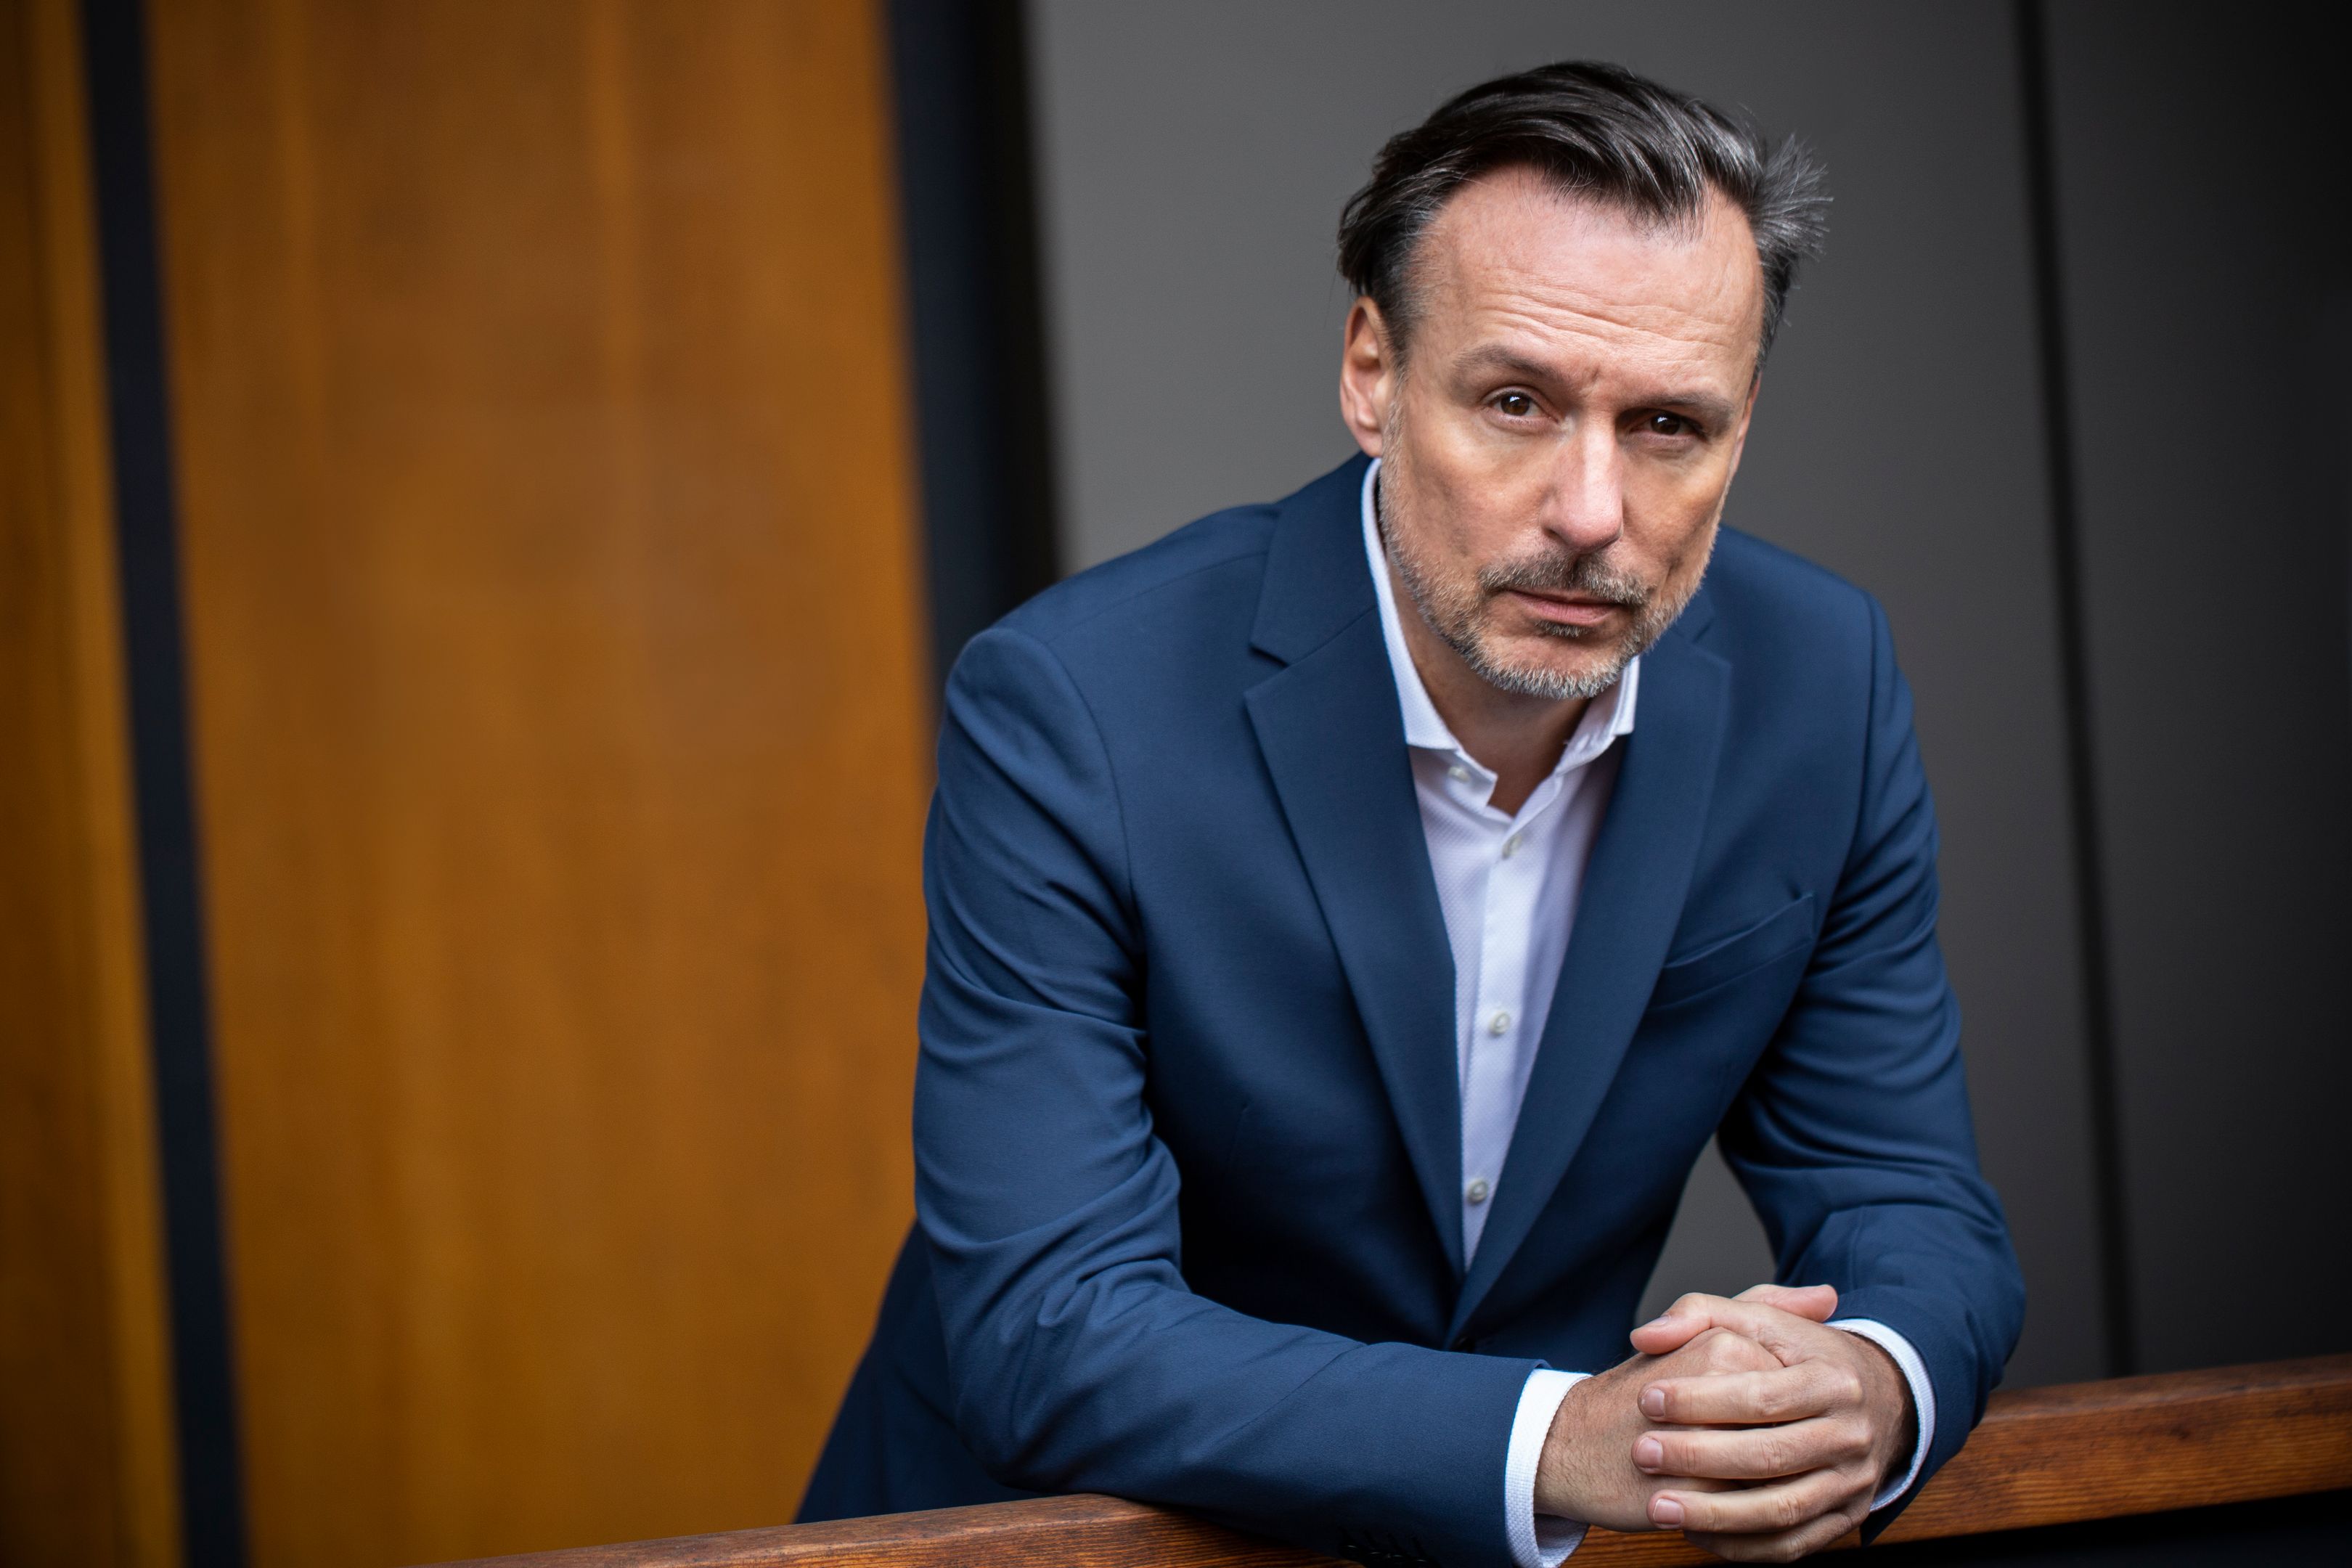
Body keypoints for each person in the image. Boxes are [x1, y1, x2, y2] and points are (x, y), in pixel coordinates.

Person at [801, 60, 2023, 1567]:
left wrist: (1870, 1386)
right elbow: (1052, 1326)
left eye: (1667, 426)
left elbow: (1905, 1193)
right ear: (1373, 372)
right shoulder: (1077, 703)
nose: (1590, 513)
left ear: (1744, 422)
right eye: (1516, 403)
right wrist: (1554, 1438)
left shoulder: (1819, 682)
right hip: (1057, 1542)